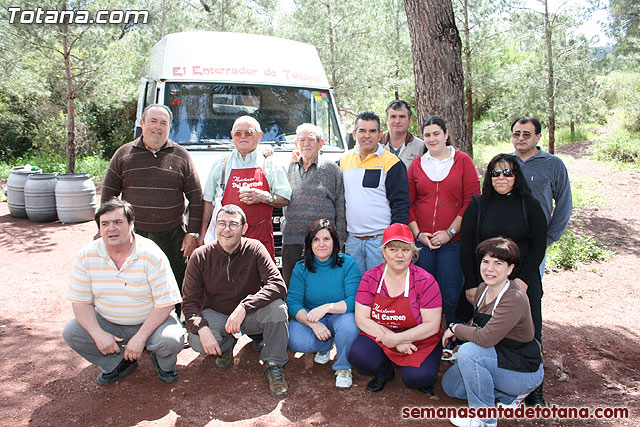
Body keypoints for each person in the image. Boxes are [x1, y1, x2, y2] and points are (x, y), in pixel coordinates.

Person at [63, 198, 185, 385]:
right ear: (99, 229)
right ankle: (118, 363)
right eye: (105, 224)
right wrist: (98, 333)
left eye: (118, 222)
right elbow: (80, 301)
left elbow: (167, 302)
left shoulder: (151, 253)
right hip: (109, 321)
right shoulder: (86, 255)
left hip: (151, 321)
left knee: (170, 340)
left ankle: (164, 364)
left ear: (131, 225)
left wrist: (141, 337)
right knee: (72, 332)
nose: (111, 228)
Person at [101, 104, 203, 311]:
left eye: (163, 123)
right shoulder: (123, 154)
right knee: (132, 281)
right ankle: (133, 320)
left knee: (174, 281)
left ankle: (177, 324)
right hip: (132, 235)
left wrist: (192, 233)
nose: (158, 127)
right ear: (142, 124)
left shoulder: (181, 155)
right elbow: (108, 197)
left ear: (169, 127)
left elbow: (197, 198)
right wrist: (108, 230)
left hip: (172, 236)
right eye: (153, 121)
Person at [182, 204, 290, 397]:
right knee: (196, 339)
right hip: (217, 315)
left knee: (278, 308)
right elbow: (189, 303)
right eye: (221, 223)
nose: (227, 229)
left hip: (249, 316)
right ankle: (226, 345)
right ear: (215, 227)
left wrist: (244, 307)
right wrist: (202, 328)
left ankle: (274, 363)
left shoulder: (255, 248)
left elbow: (278, 285)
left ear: (244, 228)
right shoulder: (200, 257)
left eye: (233, 224)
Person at [442, 237, 544, 427]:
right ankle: (507, 396)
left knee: (470, 353)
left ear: (510, 269)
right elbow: (478, 324)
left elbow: (485, 338)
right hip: (498, 357)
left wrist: (455, 328)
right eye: (485, 261)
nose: (489, 269)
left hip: (522, 369)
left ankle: (484, 419)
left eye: (498, 263)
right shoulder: (482, 289)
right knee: (452, 387)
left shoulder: (513, 297)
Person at [348, 223, 443, 394]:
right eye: (393, 249)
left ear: (413, 253)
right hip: (382, 334)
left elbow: (432, 325)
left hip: (418, 339)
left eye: (405, 250)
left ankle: (420, 372)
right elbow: (362, 318)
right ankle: (384, 372)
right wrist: (392, 338)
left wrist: (399, 339)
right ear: (383, 252)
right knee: (359, 356)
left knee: (418, 378)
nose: (399, 255)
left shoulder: (425, 281)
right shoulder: (370, 278)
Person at [408, 115, 480, 326]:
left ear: (446, 134)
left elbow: (472, 200)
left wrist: (450, 232)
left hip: (453, 242)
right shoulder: (417, 165)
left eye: (436, 134)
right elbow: (408, 203)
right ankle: (427, 340)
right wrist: (418, 235)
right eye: (427, 135)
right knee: (424, 294)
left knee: (451, 294)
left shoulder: (462, 161)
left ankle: (454, 339)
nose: (432, 139)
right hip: (424, 243)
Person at [200, 115, 292, 259]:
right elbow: (208, 201)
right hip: (226, 243)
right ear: (232, 136)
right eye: (238, 133)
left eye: (249, 132)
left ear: (259, 135)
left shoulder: (270, 164)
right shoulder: (221, 165)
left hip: (261, 243)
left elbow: (286, 198)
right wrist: (202, 234)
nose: (243, 137)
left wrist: (264, 196)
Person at [287, 219, 361, 388]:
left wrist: (327, 308)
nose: (322, 244)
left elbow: (354, 300)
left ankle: (343, 366)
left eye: (326, 239)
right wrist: (313, 325)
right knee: (295, 340)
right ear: (309, 243)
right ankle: (326, 344)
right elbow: (292, 302)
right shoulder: (301, 267)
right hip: (313, 317)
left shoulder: (348, 264)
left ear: (334, 241)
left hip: (340, 315)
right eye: (316, 239)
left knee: (349, 326)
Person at [340, 111, 410, 275]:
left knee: (381, 289)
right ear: (354, 133)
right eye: (362, 131)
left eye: (372, 131)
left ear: (380, 134)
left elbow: (401, 204)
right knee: (355, 290)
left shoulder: (392, 163)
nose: (367, 135)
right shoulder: (344, 161)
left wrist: (393, 240)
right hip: (352, 242)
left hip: (380, 242)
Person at [282, 123, 346, 284]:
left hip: (323, 241)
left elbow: (340, 204)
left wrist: (340, 239)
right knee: (293, 287)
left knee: (323, 286)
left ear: (320, 143)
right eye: (301, 140)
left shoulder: (332, 169)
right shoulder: (286, 168)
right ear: (296, 144)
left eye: (311, 139)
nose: (306, 144)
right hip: (292, 240)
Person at [511, 116, 572, 272]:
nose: (520, 138)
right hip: (505, 239)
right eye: (516, 134)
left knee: (530, 287)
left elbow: (564, 203)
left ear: (538, 137)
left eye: (527, 134)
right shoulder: (504, 162)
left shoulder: (553, 164)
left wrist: (549, 237)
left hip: (535, 240)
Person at [381, 100, 425, 169]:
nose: (397, 121)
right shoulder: (376, 144)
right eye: (393, 116)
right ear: (387, 120)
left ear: (410, 120)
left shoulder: (420, 147)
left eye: (402, 117)